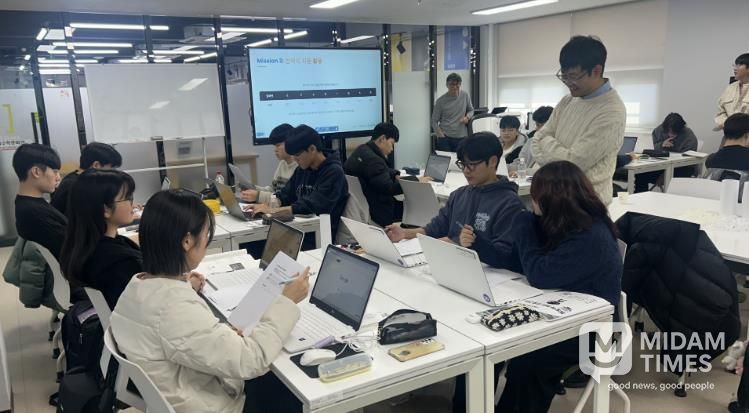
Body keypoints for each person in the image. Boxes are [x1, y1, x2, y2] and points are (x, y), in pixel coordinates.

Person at [110, 190, 309, 413]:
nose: (207, 241)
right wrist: (286, 301)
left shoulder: (137, 286)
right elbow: (250, 360)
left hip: (181, 391)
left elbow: (179, 332)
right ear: (187, 241)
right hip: (210, 405)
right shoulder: (174, 308)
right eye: (206, 234)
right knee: (297, 385)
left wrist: (218, 332)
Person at [496, 160, 622, 413]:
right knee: (506, 345)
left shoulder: (590, 235)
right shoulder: (564, 223)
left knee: (530, 361)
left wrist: (525, 228)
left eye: (536, 198)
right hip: (562, 309)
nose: (532, 203)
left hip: (592, 328)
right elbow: (518, 262)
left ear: (554, 201)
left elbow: (539, 274)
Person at [385, 132, 525, 270]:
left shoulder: (509, 204)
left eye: (472, 165)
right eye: (462, 164)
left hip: (487, 274)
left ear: (493, 161)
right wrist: (405, 233)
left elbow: (505, 256)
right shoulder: (459, 195)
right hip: (452, 266)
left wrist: (469, 244)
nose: (466, 171)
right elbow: (435, 229)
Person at [530, 35, 626, 205]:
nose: (568, 82)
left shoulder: (611, 111)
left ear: (596, 71)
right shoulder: (567, 100)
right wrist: (553, 150)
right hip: (551, 199)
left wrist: (547, 144)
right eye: (564, 76)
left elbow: (572, 164)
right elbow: (536, 139)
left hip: (584, 206)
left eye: (573, 76)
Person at [242, 125, 349, 236]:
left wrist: (272, 211)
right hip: (298, 228)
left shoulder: (333, 172)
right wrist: (265, 206)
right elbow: (285, 195)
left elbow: (311, 206)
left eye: (297, 154)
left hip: (318, 234)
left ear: (312, 149)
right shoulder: (302, 169)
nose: (295, 159)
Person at [59, 169, 140, 309]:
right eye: (128, 198)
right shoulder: (120, 262)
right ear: (105, 210)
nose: (133, 205)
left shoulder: (84, 248)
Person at [344, 122, 431, 227]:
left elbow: (379, 171)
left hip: (365, 206)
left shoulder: (361, 150)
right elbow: (390, 188)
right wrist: (416, 181)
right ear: (382, 139)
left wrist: (395, 174)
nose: (392, 149)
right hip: (380, 211)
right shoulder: (374, 160)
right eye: (392, 143)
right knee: (417, 207)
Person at [12, 143, 66, 257]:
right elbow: (72, 247)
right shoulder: (32, 212)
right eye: (55, 171)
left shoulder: (28, 203)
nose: (58, 178)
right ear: (36, 172)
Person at [51, 142, 122, 215]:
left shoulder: (76, 178)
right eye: (111, 169)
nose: (114, 173)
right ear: (96, 165)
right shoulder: (77, 186)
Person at [633, 113, 699, 192]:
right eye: (667, 131)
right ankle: (641, 197)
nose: (670, 134)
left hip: (682, 168)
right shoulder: (658, 130)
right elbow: (654, 149)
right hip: (661, 166)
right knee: (640, 174)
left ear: (681, 129)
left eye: (673, 132)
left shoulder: (689, 136)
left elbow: (689, 159)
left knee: (677, 173)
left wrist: (665, 173)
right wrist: (661, 145)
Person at [246, 124, 298, 203]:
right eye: (274, 146)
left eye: (278, 145)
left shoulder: (299, 167)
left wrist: (258, 196)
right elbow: (273, 190)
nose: (275, 150)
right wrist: (253, 188)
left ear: (290, 143)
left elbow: (287, 198)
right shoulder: (282, 163)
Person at [432, 73, 474, 152]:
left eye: (457, 84)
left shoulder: (465, 95)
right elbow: (434, 121)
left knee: (461, 159)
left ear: (460, 84)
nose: (455, 87)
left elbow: (471, 110)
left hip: (462, 137)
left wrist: (467, 117)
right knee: (448, 159)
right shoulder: (440, 101)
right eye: (452, 84)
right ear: (447, 85)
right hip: (445, 137)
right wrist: (441, 135)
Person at [715, 53, 749, 131]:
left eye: (739, 65)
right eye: (735, 65)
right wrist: (728, 125)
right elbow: (720, 112)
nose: (735, 68)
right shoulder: (730, 88)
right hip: (730, 133)